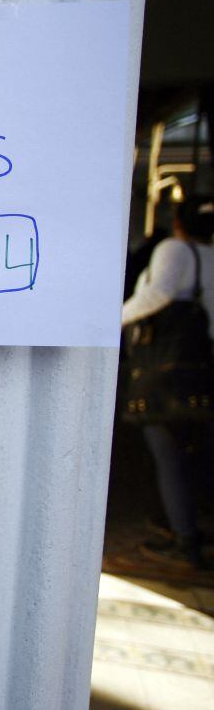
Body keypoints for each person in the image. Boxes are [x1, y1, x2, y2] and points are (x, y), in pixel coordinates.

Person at [122, 196, 214, 570]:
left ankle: (183, 538)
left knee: (167, 455)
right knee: (190, 455)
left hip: (166, 370)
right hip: (201, 368)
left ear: (178, 221)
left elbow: (157, 293)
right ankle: (182, 525)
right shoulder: (209, 256)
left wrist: (112, 320)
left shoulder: (175, 249)